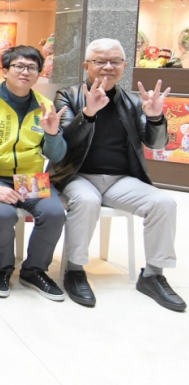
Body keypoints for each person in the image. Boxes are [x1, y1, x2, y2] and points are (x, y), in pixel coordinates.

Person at [53, 38, 184, 311]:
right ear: (86, 65)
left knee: (164, 203)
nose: (107, 67)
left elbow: (155, 144)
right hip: (78, 176)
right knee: (86, 201)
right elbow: (63, 143)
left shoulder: (134, 102)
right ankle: (75, 271)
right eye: (100, 61)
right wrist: (88, 113)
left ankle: (153, 275)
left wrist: (157, 118)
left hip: (120, 181)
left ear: (124, 66)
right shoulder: (68, 96)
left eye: (114, 62)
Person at [0, 45, 67, 301]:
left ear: (38, 74)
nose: (25, 72)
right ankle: (2, 269)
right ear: (5, 71)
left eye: (32, 68)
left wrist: (53, 133)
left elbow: (56, 155)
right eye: (19, 66)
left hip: (29, 179)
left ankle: (33, 270)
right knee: (3, 213)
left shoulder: (45, 105)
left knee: (54, 213)